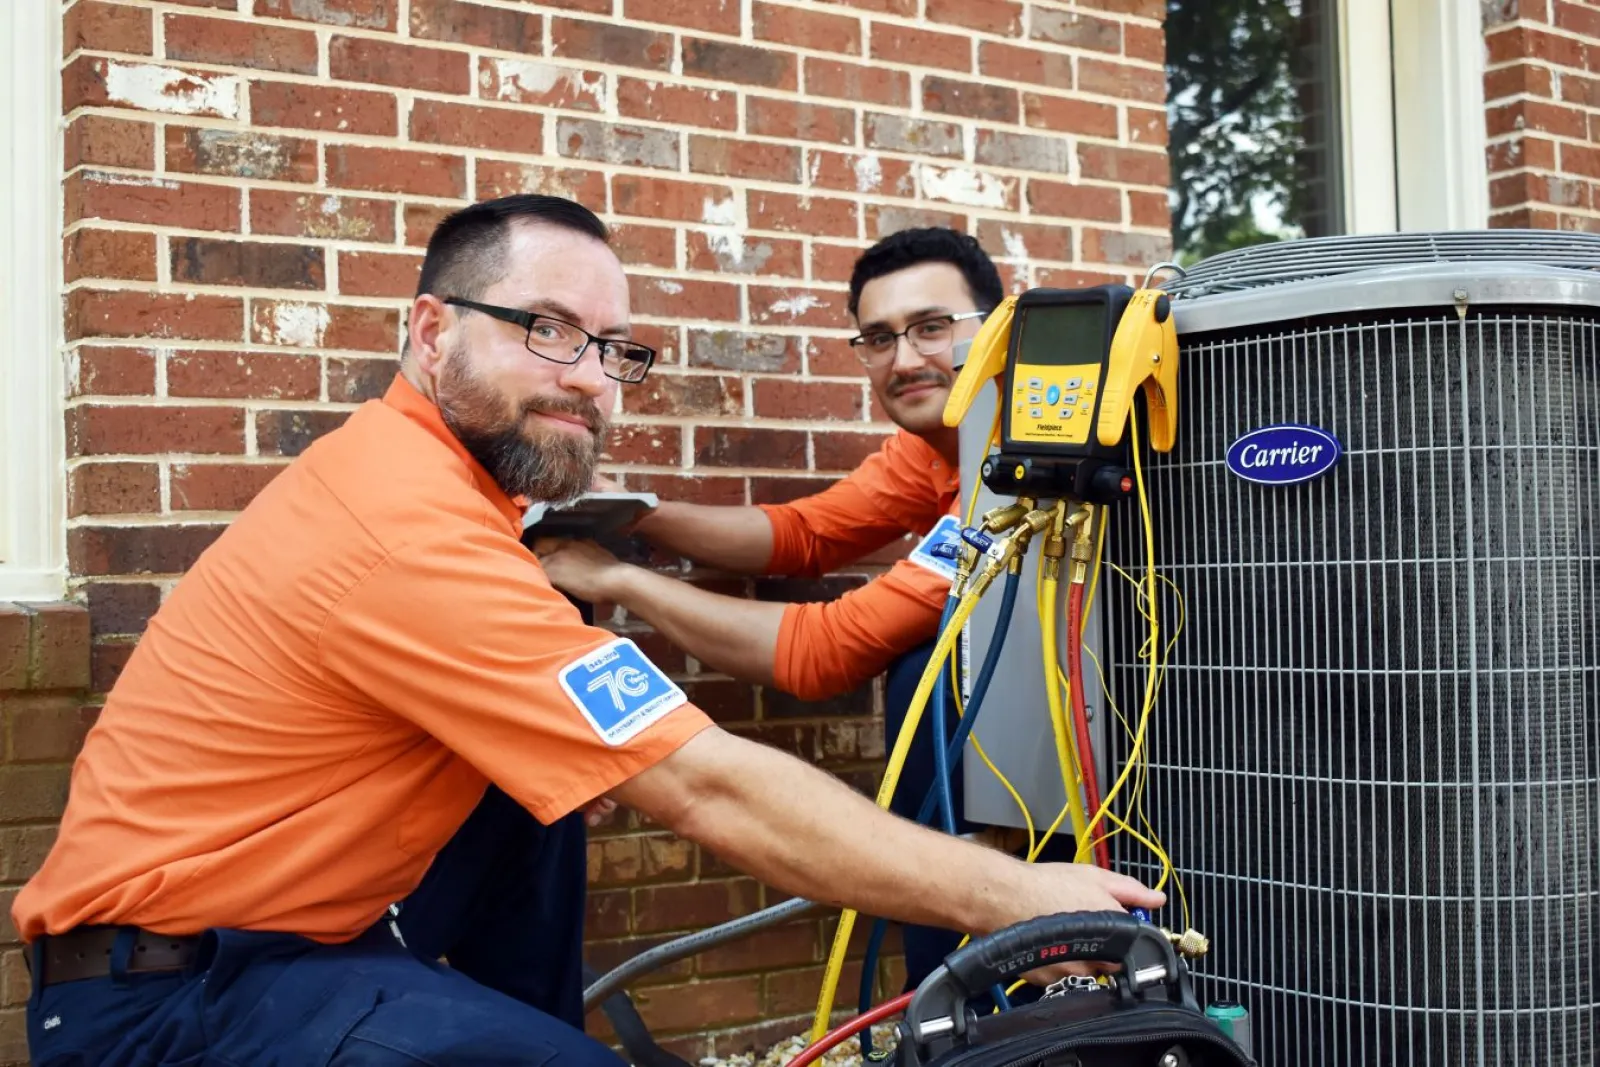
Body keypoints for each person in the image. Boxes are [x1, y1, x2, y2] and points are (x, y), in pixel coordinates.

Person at [12, 197, 1161, 1067]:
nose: (593, 379)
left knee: (543, 779)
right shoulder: (409, 524)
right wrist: (1017, 896)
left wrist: (615, 569)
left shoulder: (433, 489)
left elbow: (820, 628)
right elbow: (784, 587)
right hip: (175, 995)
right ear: (429, 332)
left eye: (613, 349)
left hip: (276, 944)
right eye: (547, 331)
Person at [537, 228, 1023, 994]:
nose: (903, 359)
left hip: (1143, 738)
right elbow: (805, 533)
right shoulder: (937, 443)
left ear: (997, 328)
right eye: (878, 338)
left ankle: (976, 1016)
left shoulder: (1021, 457)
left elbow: (823, 651)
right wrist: (636, 516)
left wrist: (618, 580)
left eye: (932, 327)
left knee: (927, 673)